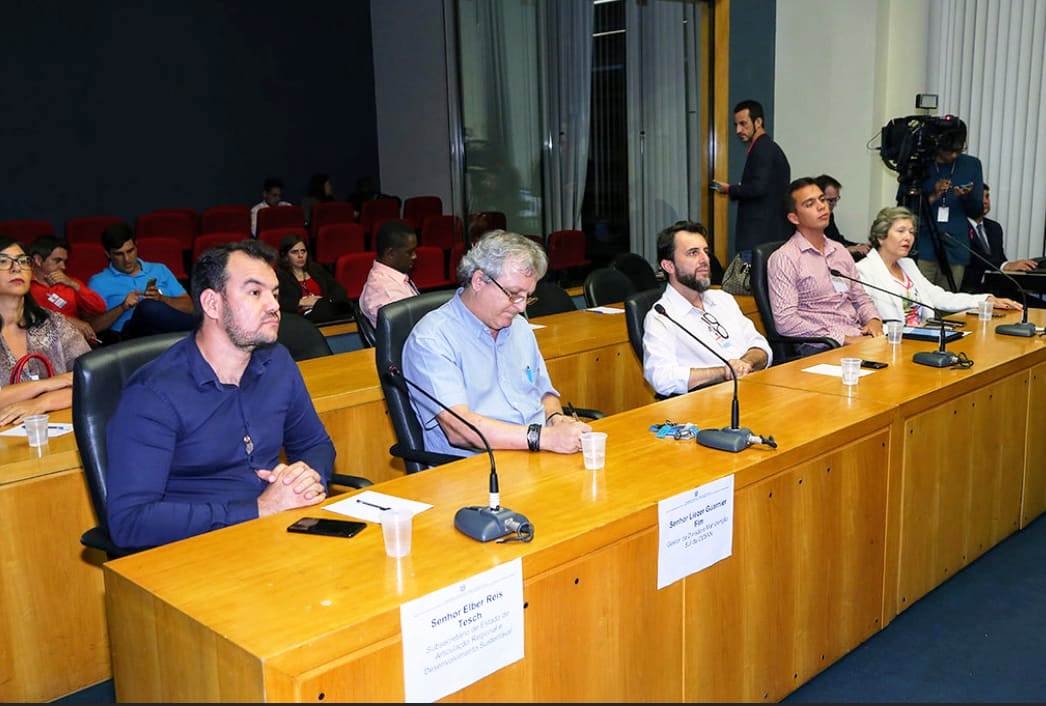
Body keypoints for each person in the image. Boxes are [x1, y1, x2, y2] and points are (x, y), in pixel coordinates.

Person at [105, 240, 334, 551]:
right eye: (255, 293)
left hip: (277, 533)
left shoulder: (277, 361)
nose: (273, 306)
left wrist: (306, 476)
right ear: (212, 304)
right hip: (196, 551)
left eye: (275, 293)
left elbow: (314, 444)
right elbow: (130, 522)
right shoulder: (153, 393)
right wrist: (259, 509)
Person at [402, 230, 590, 458]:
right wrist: (545, 438)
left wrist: (556, 419)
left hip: (536, 453)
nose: (521, 307)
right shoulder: (431, 339)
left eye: (527, 296)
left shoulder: (519, 327)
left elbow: (545, 394)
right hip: (479, 466)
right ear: (479, 281)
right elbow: (460, 429)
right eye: (513, 294)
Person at [643, 222, 771, 397]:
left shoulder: (723, 299)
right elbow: (661, 378)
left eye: (705, 251)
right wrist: (724, 371)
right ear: (669, 266)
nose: (705, 260)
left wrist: (746, 363)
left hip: (750, 389)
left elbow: (761, 346)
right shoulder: (661, 317)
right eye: (693, 253)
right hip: (708, 401)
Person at [767, 178, 883, 352]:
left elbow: (860, 298)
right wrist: (843, 339)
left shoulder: (840, 250)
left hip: (858, 337)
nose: (821, 206)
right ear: (794, 218)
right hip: (821, 347)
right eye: (810, 204)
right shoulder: (785, 258)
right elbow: (786, 322)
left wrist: (873, 321)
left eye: (822, 199)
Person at [856, 207, 1020, 325]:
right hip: (892, 342)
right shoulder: (864, 270)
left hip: (924, 336)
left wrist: (985, 299)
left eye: (911, 232)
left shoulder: (907, 264)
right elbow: (865, 319)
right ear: (881, 237)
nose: (908, 237)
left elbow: (938, 296)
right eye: (901, 231)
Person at [0, 237, 91, 426]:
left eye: (23, 261)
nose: (16, 268)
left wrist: (42, 402)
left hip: (59, 430)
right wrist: (50, 384)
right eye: (3, 261)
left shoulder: (53, 323)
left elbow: (92, 379)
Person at [712, 99, 792, 258]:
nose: (738, 130)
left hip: (759, 237)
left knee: (753, 274)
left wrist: (730, 189)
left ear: (758, 122)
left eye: (743, 124)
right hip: (768, 235)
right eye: (736, 125)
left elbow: (758, 187)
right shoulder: (767, 147)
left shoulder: (763, 148)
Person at [88, 223, 195, 339]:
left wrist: (161, 299)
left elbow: (190, 307)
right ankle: (201, 326)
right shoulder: (98, 282)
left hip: (169, 334)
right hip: (130, 338)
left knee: (151, 307)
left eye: (130, 251)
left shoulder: (160, 269)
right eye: (119, 254)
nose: (127, 259)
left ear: (136, 246)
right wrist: (122, 307)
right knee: (147, 307)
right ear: (108, 254)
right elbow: (91, 328)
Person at [914, 120, 983, 291]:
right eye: (948, 151)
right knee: (920, 299)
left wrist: (965, 197)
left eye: (958, 151)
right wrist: (933, 195)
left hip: (956, 247)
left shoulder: (972, 165)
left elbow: (977, 211)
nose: (953, 155)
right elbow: (908, 209)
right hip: (925, 245)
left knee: (950, 301)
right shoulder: (920, 164)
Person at [960, 184, 1038, 292]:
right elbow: (974, 257)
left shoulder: (994, 227)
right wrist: (1006, 265)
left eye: (987, 196)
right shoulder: (959, 227)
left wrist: (1020, 269)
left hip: (996, 288)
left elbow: (999, 259)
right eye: (980, 197)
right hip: (969, 290)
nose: (985, 201)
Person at [28, 235, 105, 343]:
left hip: (75, 343)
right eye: (57, 260)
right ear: (38, 260)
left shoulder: (70, 283)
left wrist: (74, 285)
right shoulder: (23, 285)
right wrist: (67, 320)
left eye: (65, 262)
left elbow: (99, 308)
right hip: (40, 344)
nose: (63, 267)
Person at [275, 235, 352, 324]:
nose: (300, 255)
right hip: (298, 320)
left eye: (303, 251)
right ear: (285, 256)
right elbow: (277, 302)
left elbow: (339, 290)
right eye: (294, 252)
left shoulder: (316, 269)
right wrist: (300, 302)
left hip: (324, 312)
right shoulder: (279, 276)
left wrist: (322, 302)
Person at [358, 220, 420, 327]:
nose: (415, 256)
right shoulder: (387, 295)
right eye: (410, 252)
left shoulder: (391, 277)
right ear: (390, 253)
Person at [815, 174, 870, 259]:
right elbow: (820, 249)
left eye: (836, 199)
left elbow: (837, 240)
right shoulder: (808, 221)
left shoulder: (829, 215)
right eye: (830, 200)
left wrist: (858, 245)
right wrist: (847, 249)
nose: (834, 204)